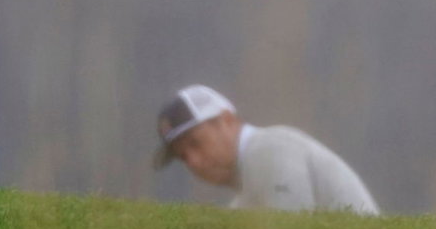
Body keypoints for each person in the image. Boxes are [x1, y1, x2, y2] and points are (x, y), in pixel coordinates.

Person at [151, 84, 380, 215]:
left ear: (227, 120)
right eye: (182, 156)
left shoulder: (269, 150)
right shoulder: (245, 193)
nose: (193, 161)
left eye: (195, 143)